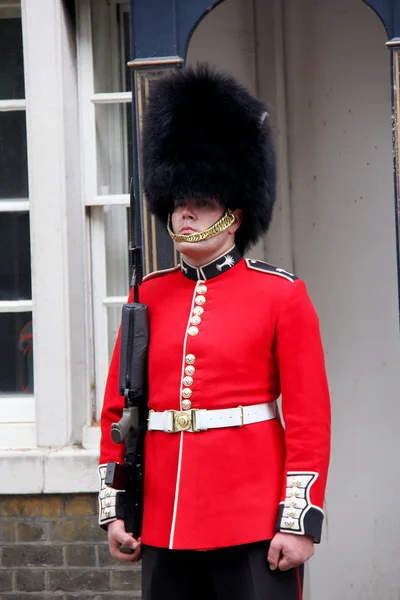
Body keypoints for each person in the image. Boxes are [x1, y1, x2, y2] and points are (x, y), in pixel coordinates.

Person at [98, 64, 331, 600]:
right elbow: (119, 412)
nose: (184, 216)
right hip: (163, 519)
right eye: (178, 203)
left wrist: (298, 520)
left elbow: (308, 420)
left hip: (252, 519)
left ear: (233, 212)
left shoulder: (281, 294)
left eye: (199, 203)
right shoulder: (147, 296)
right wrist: (115, 508)